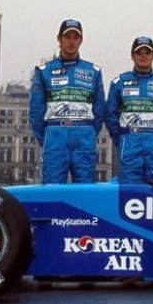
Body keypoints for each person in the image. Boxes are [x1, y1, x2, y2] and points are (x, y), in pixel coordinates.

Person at [30, 19, 105, 183]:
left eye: (75, 37)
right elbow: (36, 112)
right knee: (52, 190)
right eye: (67, 36)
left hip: (84, 135)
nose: (71, 41)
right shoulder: (44, 71)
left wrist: (89, 133)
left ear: (81, 40)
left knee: (85, 190)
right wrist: (48, 137)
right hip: (55, 135)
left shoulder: (93, 71)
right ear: (59, 39)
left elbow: (99, 111)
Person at [105, 36, 153, 185]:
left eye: (147, 52)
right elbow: (110, 115)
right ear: (132, 56)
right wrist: (121, 140)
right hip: (129, 143)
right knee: (129, 192)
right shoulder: (119, 82)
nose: (143, 55)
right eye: (139, 52)